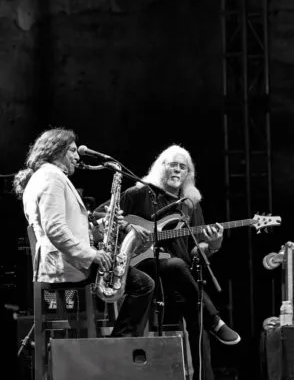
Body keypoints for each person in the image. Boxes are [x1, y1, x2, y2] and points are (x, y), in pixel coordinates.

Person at [100, 144, 240, 380]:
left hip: (179, 277)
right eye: (172, 165)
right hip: (141, 270)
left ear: (188, 174)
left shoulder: (189, 204)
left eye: (183, 167)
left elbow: (195, 252)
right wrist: (129, 228)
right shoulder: (138, 193)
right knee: (177, 269)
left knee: (193, 304)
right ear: (161, 167)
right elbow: (101, 215)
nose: (177, 170)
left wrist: (214, 244)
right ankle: (216, 321)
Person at [13, 128, 155, 337]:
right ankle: (120, 342)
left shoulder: (45, 177)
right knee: (143, 285)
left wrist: (103, 225)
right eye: (72, 150)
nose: (77, 157)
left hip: (65, 260)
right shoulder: (51, 177)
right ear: (56, 150)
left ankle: (115, 342)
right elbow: (55, 230)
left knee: (134, 281)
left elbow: (67, 228)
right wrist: (93, 255)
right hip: (65, 264)